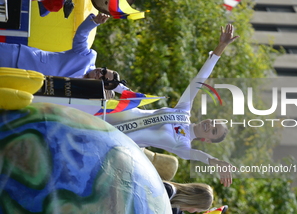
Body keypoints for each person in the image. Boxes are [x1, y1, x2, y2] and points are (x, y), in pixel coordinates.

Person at [105, 24, 239, 187]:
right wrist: (221, 47)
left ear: (207, 140)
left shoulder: (183, 145)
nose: (210, 124)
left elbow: (195, 155)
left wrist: (214, 161)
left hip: (112, 140)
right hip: (113, 113)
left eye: (214, 130)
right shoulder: (183, 111)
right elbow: (200, 78)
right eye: (213, 122)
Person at [0, 13, 129, 94]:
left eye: (103, 78)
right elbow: (81, 36)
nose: (100, 73)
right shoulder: (87, 57)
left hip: (18, 82)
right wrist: (94, 22)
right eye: (104, 71)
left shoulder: (82, 92)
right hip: (19, 58)